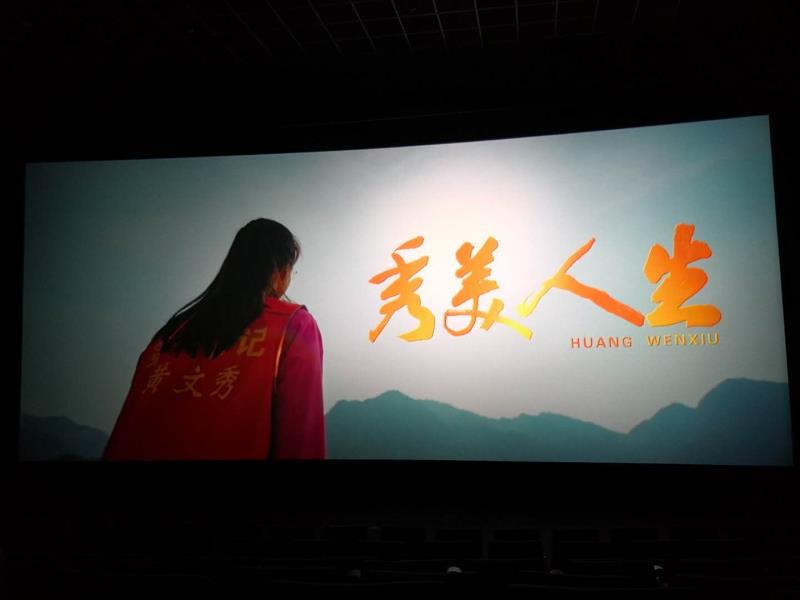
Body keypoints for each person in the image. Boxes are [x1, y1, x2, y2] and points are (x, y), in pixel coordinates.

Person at [104, 219, 325, 460]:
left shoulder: (170, 334)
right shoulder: (294, 325)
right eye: (292, 269)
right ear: (280, 270)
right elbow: (301, 442)